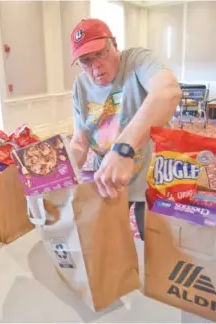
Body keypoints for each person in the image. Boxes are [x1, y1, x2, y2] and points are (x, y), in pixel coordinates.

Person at [69, 18, 182, 240]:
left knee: (156, 244)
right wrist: (57, 179)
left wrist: (123, 149)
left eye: (100, 53)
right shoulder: (80, 86)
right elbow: (79, 142)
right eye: (85, 60)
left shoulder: (137, 60)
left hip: (150, 179)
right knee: (111, 243)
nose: (95, 66)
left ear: (114, 44)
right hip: (108, 181)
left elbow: (168, 91)